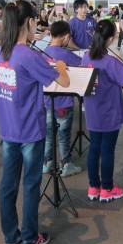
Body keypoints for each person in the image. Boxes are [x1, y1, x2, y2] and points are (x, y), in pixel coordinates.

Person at [0, 0, 69, 244]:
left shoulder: (1, 51)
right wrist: (59, 66)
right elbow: (63, 80)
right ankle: (29, 238)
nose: (37, 25)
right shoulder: (28, 54)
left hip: (8, 128)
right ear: (28, 22)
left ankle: (10, 238)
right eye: (36, 21)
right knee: (30, 184)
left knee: (8, 184)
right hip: (29, 130)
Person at [81, 19, 123, 203]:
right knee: (107, 150)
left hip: (92, 110)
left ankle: (94, 187)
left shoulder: (86, 57)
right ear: (109, 39)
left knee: (94, 148)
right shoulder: (110, 61)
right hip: (109, 112)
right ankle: (107, 188)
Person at [41, 21, 83, 177]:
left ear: (50, 34)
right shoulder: (65, 54)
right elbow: (83, 63)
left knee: (49, 135)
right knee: (64, 135)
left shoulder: (43, 52)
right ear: (66, 37)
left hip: (47, 101)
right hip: (64, 102)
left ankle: (47, 162)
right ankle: (66, 164)